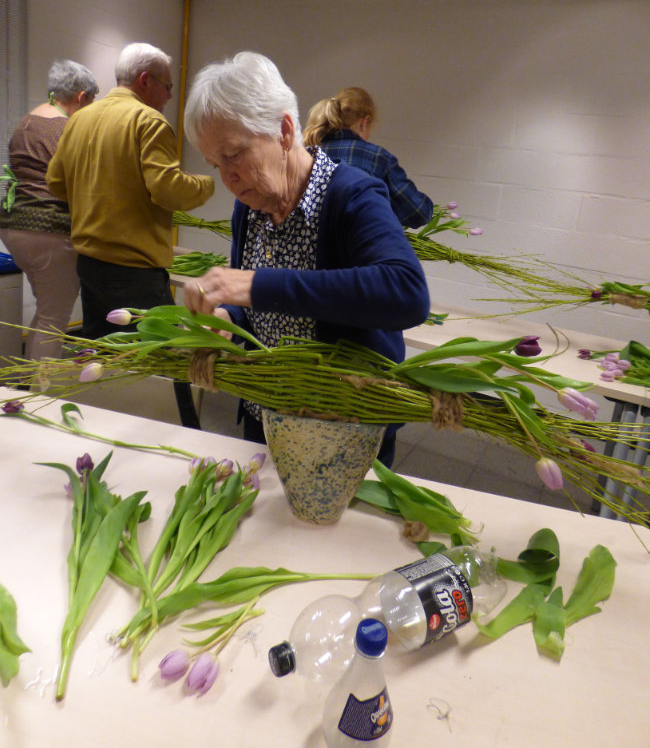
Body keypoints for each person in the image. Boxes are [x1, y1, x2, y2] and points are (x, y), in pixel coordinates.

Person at [183, 52, 430, 466]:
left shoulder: (352, 196)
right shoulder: (252, 206)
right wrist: (230, 318)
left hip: (343, 423)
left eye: (233, 155)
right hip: (268, 413)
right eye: (213, 164)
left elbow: (406, 292)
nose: (226, 179)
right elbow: (260, 313)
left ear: (282, 131)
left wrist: (253, 286)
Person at [46, 42, 214, 429]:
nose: (170, 96)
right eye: (168, 86)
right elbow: (167, 189)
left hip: (90, 265)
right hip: (136, 271)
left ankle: (103, 431)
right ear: (145, 80)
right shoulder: (148, 121)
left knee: (104, 361)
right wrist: (206, 184)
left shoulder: (81, 120)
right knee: (163, 365)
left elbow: (56, 182)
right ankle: (187, 444)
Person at [0, 59, 99, 360]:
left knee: (46, 312)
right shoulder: (67, 127)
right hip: (47, 229)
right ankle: (42, 395)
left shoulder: (26, 122)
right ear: (81, 97)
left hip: (13, 224)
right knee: (54, 320)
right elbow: (80, 182)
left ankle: (31, 380)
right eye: (91, 102)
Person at [302, 87, 433, 228]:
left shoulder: (306, 155)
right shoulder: (377, 158)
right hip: (359, 246)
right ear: (365, 122)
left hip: (311, 247)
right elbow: (419, 213)